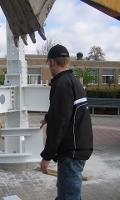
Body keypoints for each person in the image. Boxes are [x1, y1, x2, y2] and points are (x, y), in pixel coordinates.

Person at [40, 44, 93, 200]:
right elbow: (67, 111)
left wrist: (46, 156)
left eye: (48, 63)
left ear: (51, 62)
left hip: (71, 152)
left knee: (68, 196)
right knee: (65, 194)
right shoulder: (73, 81)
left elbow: (59, 124)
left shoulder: (62, 84)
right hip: (78, 147)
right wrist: (48, 117)